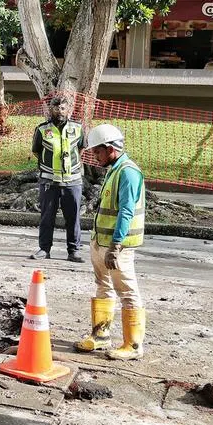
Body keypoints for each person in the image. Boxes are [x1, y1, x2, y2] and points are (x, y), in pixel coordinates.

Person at [77, 124, 147, 361]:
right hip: (102, 243)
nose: (95, 157)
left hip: (118, 247)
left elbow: (126, 211)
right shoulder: (114, 169)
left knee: (127, 292)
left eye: (97, 152)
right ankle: (101, 335)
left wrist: (116, 246)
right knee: (103, 287)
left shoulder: (127, 172)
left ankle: (133, 345)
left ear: (110, 149)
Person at [30, 94, 84, 262]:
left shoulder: (78, 128)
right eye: (56, 108)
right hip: (49, 181)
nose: (59, 111)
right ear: (50, 110)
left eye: (62, 108)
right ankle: (44, 249)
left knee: (73, 217)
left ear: (68, 110)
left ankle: (73, 251)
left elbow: (81, 149)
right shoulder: (42, 129)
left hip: (73, 181)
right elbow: (36, 151)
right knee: (47, 216)